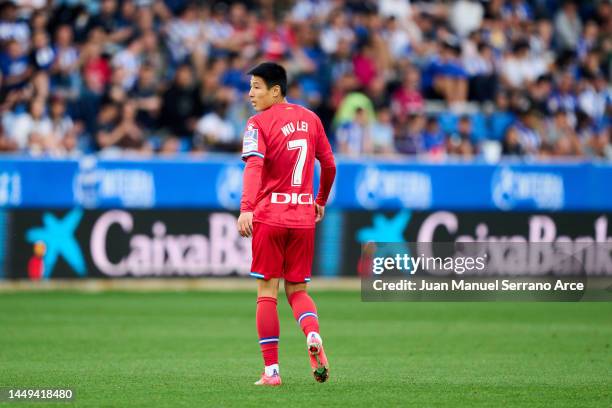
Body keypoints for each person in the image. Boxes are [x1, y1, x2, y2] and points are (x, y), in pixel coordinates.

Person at [237, 62, 336, 386]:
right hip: (304, 218)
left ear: (275, 90)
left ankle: (272, 372)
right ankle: (312, 333)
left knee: (268, 291)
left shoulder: (258, 123)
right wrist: (319, 200)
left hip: (270, 214)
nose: (250, 94)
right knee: (298, 290)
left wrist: (246, 208)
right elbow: (330, 164)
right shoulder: (311, 119)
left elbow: (253, 167)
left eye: (256, 87)